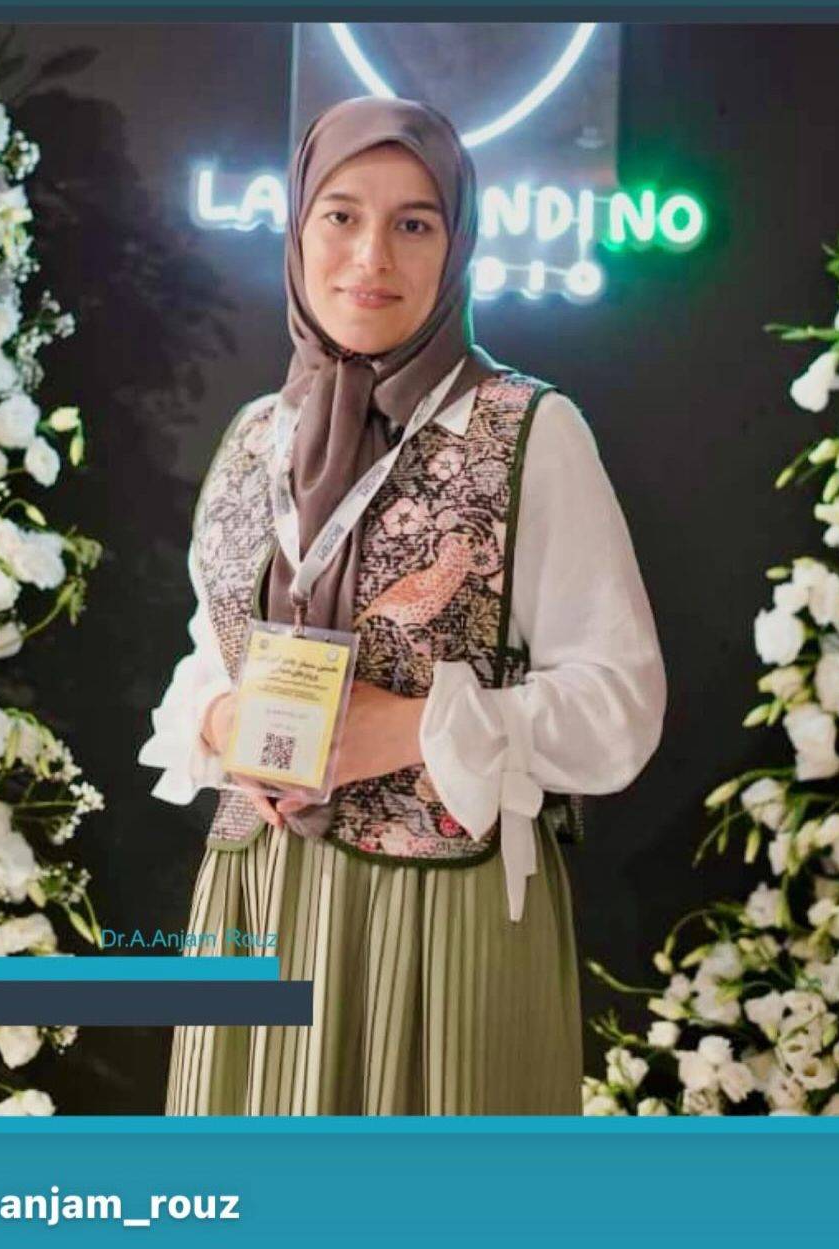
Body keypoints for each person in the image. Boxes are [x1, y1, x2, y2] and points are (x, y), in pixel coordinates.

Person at [138, 95, 667, 1116]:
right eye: (340, 215)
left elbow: (617, 705)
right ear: (298, 230)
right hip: (256, 900)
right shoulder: (257, 434)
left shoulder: (528, 429)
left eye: (414, 223)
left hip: (442, 915)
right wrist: (220, 717)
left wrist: (412, 729)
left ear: (456, 245)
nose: (370, 256)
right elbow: (210, 650)